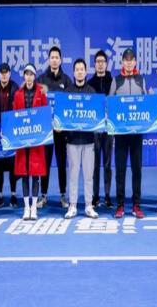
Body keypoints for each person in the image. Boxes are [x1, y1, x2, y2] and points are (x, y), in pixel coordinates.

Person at [109, 48, 146, 219]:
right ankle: (120, 205)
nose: (129, 63)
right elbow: (110, 104)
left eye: (131, 60)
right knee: (120, 170)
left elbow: (146, 103)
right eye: (126, 60)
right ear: (122, 62)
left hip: (137, 134)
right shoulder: (116, 80)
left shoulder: (141, 80)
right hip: (121, 135)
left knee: (137, 170)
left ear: (135, 62)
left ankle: (136, 205)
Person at [37, 46, 72, 209]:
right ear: (49, 59)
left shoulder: (67, 80)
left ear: (61, 60)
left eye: (57, 57)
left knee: (61, 163)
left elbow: (70, 105)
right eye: (52, 57)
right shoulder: (41, 79)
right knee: (44, 163)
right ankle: (43, 195)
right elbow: (37, 103)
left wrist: (62, 124)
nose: (54, 60)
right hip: (46, 131)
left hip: (61, 132)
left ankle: (63, 195)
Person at [12, 64, 48, 221]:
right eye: (26, 74)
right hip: (22, 140)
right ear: (24, 76)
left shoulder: (41, 93)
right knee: (24, 173)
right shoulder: (18, 94)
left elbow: (45, 114)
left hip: (36, 141)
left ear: (34, 76)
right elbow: (14, 115)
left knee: (35, 173)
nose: (29, 77)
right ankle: (26, 207)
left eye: (31, 74)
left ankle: (34, 208)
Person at [64, 59, 98, 219]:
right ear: (73, 72)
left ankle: (89, 205)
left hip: (89, 140)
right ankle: (72, 205)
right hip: (72, 140)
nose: (79, 72)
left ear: (86, 72)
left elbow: (97, 116)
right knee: (73, 174)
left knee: (88, 175)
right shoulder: (67, 93)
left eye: (81, 69)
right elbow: (62, 116)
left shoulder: (92, 92)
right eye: (76, 69)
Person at [0, 62, 19, 208]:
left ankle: (13, 195)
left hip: (12, 132)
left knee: (13, 165)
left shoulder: (16, 89)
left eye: (6, 72)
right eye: (1, 72)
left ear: (10, 74)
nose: (4, 75)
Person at [88, 49, 113, 208]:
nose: (100, 64)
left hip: (109, 128)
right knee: (95, 164)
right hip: (95, 129)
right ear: (94, 64)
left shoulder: (113, 81)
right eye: (98, 62)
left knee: (107, 164)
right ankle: (95, 196)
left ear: (106, 64)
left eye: (102, 61)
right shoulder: (90, 83)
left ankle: (108, 196)